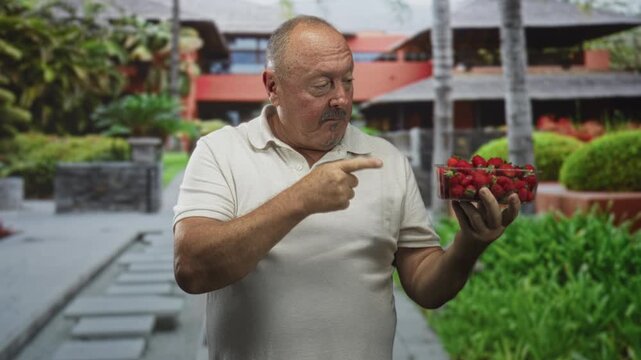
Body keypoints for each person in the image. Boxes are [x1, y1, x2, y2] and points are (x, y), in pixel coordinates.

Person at [173, 15, 521, 360]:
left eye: (348, 81)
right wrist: (301, 199)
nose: (340, 98)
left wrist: (469, 244)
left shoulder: (386, 159)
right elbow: (191, 268)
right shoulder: (221, 151)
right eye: (322, 85)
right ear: (273, 86)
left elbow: (426, 286)